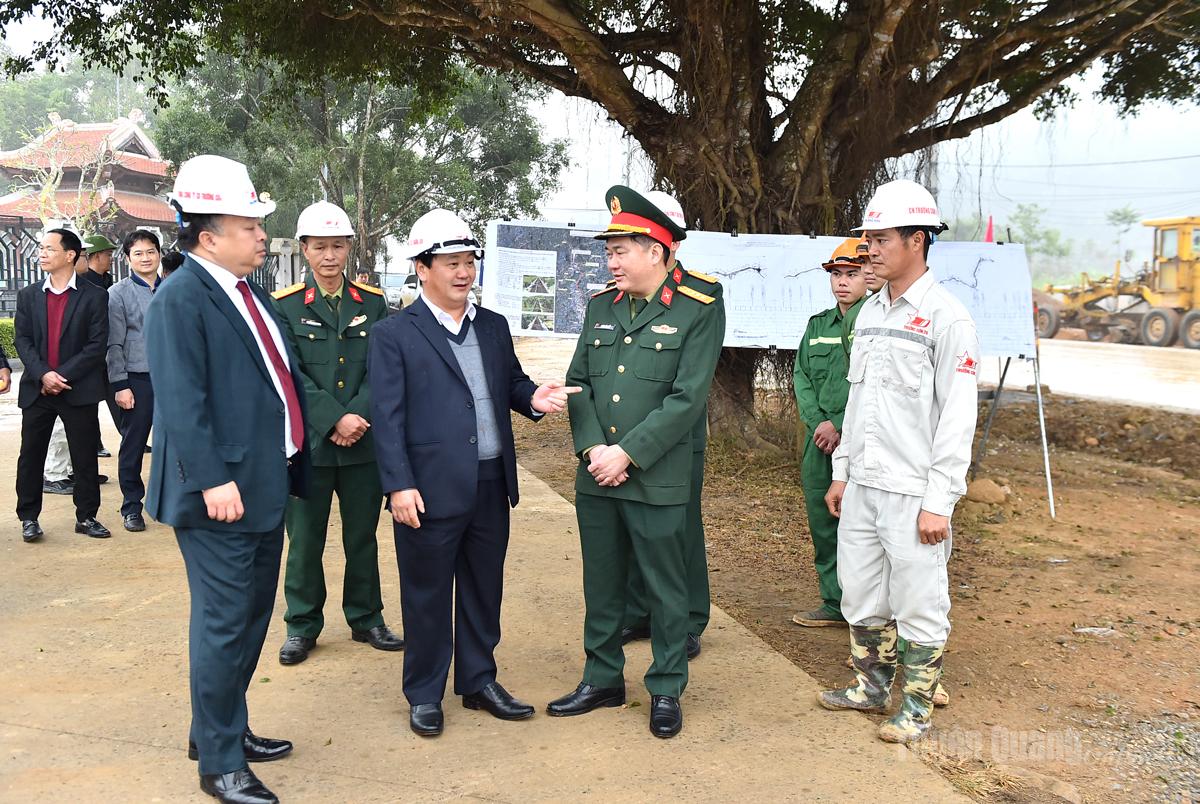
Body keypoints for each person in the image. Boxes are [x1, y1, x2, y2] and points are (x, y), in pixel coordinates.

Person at [369, 208, 576, 738]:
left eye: (469, 261)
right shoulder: (394, 334)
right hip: (427, 487)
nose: (464, 273)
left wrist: (533, 398)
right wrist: (398, 484)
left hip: (489, 481)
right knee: (427, 594)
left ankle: (479, 680)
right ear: (422, 268)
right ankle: (424, 693)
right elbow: (386, 418)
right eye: (451, 263)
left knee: (484, 588)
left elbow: (511, 383)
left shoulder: (493, 326)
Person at [146, 155, 308, 804]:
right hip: (220, 495)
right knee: (223, 623)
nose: (262, 236)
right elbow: (181, 401)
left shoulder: (248, 293)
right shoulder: (180, 298)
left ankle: (220, 728)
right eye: (249, 226)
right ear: (208, 237)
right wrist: (213, 480)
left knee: (248, 617)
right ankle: (220, 764)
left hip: (263, 485)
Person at [549, 185, 725, 739]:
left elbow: (687, 398)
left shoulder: (700, 306)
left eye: (620, 251)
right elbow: (579, 382)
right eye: (609, 251)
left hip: (656, 475)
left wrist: (627, 453)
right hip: (597, 473)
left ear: (656, 250)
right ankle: (601, 678)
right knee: (602, 584)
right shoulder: (601, 306)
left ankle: (666, 686)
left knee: (666, 588)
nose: (611, 261)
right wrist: (593, 450)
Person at [819, 179, 978, 744]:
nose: (870, 250)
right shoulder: (869, 313)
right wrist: (841, 473)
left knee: (919, 600)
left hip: (913, 491)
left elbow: (957, 417)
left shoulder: (946, 318)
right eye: (868, 239)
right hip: (863, 483)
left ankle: (916, 707)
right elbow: (856, 402)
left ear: (917, 240)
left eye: (882, 239)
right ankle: (871, 687)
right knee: (860, 592)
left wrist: (940, 502)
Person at [271, 201, 403, 665]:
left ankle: (366, 617)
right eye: (320, 247)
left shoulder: (373, 302)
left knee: (362, 537)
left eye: (338, 246)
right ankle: (301, 624)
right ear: (304, 250)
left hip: (363, 442)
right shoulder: (285, 305)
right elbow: (289, 374)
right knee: (304, 540)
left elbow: (384, 368)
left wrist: (356, 417)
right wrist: (333, 420)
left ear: (349, 248)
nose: (329, 256)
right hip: (310, 445)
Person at [618, 190, 720, 660]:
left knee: (679, 528)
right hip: (625, 435)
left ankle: (689, 619)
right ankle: (639, 610)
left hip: (677, 438)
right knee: (631, 525)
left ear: (667, 243)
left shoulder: (699, 297)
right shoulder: (621, 296)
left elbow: (690, 389)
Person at [13, 228, 111, 543]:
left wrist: (60, 376)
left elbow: (96, 345)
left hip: (77, 389)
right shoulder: (29, 295)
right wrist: (44, 374)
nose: (42, 253)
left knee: (84, 457)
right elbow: (22, 340)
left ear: (70, 255)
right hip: (37, 389)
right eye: (41, 248)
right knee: (31, 456)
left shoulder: (95, 295)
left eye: (49, 248)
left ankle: (87, 517)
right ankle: (29, 518)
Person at [791, 238, 868, 628]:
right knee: (823, 524)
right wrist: (819, 422)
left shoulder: (874, 320)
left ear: (868, 275)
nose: (842, 282)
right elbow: (801, 376)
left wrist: (838, 423)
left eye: (852, 274)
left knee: (862, 527)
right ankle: (835, 602)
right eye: (837, 274)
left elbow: (867, 384)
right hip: (819, 442)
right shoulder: (818, 325)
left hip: (860, 440)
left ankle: (866, 609)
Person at [107, 230, 161, 532]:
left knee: (179, 442)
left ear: (159, 254)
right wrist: (120, 384)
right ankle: (131, 506)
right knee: (134, 445)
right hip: (137, 379)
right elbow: (113, 343)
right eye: (138, 253)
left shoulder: (173, 288)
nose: (145, 258)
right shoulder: (117, 293)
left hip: (173, 379)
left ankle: (175, 503)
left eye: (151, 251)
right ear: (127, 258)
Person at [82, 233, 120, 457]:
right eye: (108, 254)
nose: (111, 258)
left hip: (110, 348)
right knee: (90, 401)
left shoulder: (108, 280)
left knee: (117, 393)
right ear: (95, 256)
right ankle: (94, 444)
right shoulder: (85, 282)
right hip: (92, 350)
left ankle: (130, 435)